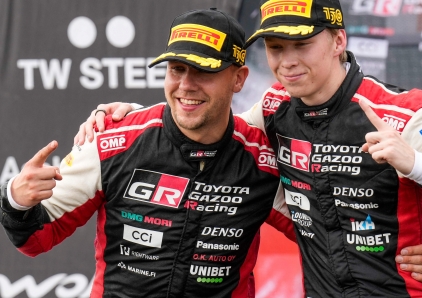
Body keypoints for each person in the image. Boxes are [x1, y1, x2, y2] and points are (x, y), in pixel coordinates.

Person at [70, 3, 422, 298]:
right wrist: (119, 115)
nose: (286, 62)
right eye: (275, 47)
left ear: (339, 40)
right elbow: (202, 124)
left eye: (300, 44)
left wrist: (419, 169)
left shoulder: (407, 112)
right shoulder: (271, 110)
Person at [0, 9, 298, 297]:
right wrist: (16, 200)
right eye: (177, 69)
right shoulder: (113, 141)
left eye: (203, 71)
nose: (186, 85)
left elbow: (323, 235)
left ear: (239, 79)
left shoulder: (261, 161)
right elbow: (36, 238)